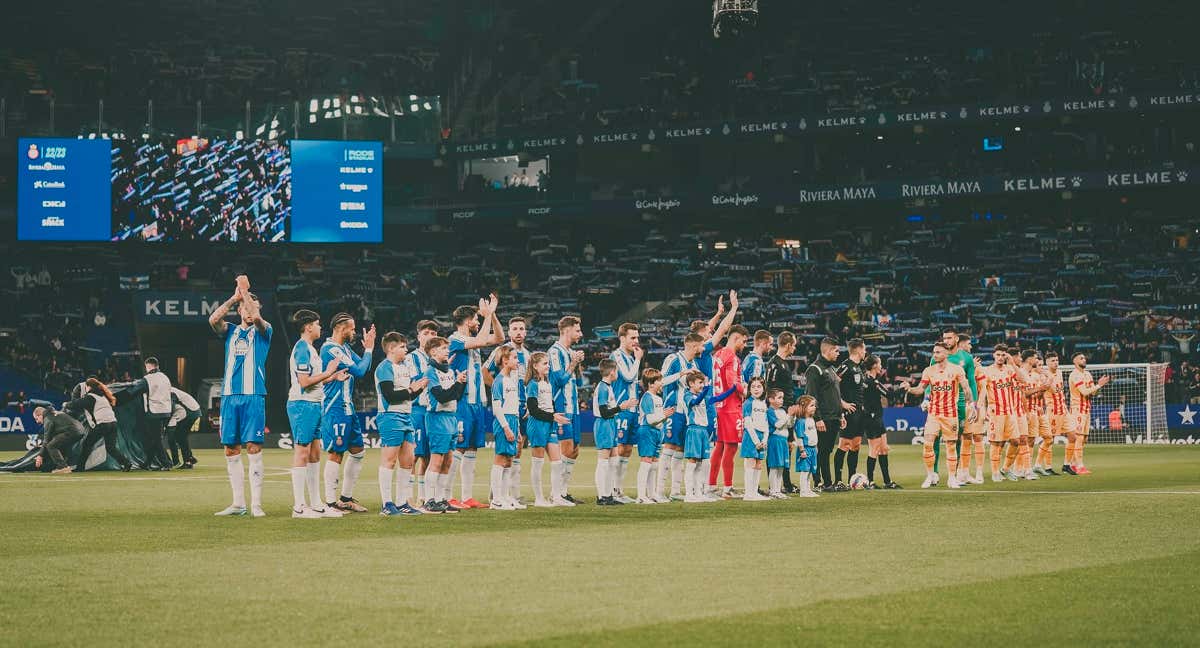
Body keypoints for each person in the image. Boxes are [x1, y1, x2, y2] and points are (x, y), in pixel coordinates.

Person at [207, 276, 272, 516]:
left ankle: (256, 504)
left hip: (253, 395)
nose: (249, 311)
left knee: (254, 448)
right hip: (229, 397)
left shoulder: (265, 331)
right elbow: (213, 319)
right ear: (239, 310)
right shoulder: (230, 332)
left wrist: (245, 293)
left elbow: (257, 318)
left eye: (252, 307)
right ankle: (238, 503)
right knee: (231, 449)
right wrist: (235, 297)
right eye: (244, 307)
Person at [286, 309, 346, 519]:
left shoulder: (310, 349)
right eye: (318, 324)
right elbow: (303, 383)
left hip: (313, 403)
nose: (321, 328)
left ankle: (316, 503)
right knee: (302, 452)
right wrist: (328, 372)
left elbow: (314, 379)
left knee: (313, 453)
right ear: (309, 326)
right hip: (302, 405)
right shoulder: (302, 348)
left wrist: (332, 377)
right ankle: (299, 507)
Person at [447, 295, 504, 509]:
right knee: (459, 448)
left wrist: (493, 315)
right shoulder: (455, 340)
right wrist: (487, 315)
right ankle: (448, 495)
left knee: (471, 449)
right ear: (468, 320)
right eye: (476, 319)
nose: (478, 322)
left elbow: (499, 338)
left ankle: (467, 496)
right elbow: (480, 339)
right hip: (461, 401)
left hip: (477, 402)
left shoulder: (472, 343)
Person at [319, 312, 377, 513]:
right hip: (335, 407)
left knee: (358, 452)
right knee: (336, 452)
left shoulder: (344, 348)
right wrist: (368, 348)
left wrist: (368, 349)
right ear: (340, 328)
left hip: (348, 408)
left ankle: (345, 498)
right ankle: (329, 502)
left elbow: (363, 367)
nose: (354, 332)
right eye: (351, 328)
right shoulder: (331, 349)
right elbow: (360, 370)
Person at [903, 342, 975, 489]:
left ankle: (952, 478)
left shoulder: (957, 370)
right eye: (934, 352)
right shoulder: (928, 371)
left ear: (946, 354)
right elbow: (920, 389)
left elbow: (966, 389)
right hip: (934, 414)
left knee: (951, 446)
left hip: (950, 414)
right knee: (928, 444)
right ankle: (930, 476)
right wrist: (909, 389)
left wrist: (972, 405)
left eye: (938, 352)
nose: (934, 355)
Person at [375, 332, 428, 517]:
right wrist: (411, 389)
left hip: (406, 415)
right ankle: (387, 503)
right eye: (402, 347)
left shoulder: (404, 367)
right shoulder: (384, 368)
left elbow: (408, 396)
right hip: (390, 416)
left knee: (408, 461)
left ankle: (402, 502)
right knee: (389, 460)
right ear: (391, 348)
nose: (406, 350)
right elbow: (390, 395)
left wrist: (419, 389)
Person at [483, 316, 533, 504]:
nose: (519, 332)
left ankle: (510, 494)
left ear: (526, 332)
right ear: (509, 332)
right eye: (515, 329)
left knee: (516, 451)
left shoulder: (527, 355)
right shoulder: (502, 351)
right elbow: (484, 371)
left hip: (520, 408)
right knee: (504, 452)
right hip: (506, 406)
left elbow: (528, 382)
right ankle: (498, 494)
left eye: (522, 328)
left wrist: (527, 403)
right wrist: (500, 390)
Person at [694, 291, 739, 496]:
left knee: (713, 445)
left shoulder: (698, 348)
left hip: (708, 400)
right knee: (709, 446)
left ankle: (707, 486)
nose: (710, 334)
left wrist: (719, 312)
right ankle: (704, 488)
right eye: (707, 332)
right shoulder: (702, 350)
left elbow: (712, 328)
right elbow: (721, 330)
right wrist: (734, 308)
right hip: (706, 402)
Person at [422, 336, 467, 513]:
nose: (447, 351)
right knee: (437, 459)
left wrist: (460, 383)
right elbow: (441, 395)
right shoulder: (431, 371)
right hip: (437, 417)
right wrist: (457, 383)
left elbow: (455, 395)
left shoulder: (448, 371)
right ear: (433, 352)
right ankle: (429, 499)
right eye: (443, 348)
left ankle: (441, 499)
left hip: (451, 417)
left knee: (447, 460)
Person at [525, 351, 571, 507]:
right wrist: (553, 416)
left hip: (549, 424)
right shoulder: (532, 384)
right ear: (535, 366)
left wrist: (554, 415)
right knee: (538, 463)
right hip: (537, 425)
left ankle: (556, 497)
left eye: (548, 363)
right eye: (545, 363)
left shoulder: (548, 383)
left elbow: (548, 405)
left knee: (557, 463)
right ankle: (539, 498)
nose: (548, 366)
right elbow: (533, 409)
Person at [548, 315, 585, 502]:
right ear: (567, 330)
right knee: (566, 448)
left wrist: (577, 364)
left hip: (574, 406)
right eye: (577, 330)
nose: (581, 334)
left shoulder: (569, 352)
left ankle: (563, 491)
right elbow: (558, 380)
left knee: (574, 450)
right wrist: (573, 363)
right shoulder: (554, 352)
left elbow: (579, 381)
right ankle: (556, 494)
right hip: (561, 405)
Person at [711, 324, 750, 497]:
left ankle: (711, 485)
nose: (745, 344)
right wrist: (746, 390)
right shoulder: (732, 357)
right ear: (735, 338)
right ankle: (728, 488)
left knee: (719, 447)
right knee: (731, 448)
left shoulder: (717, 354)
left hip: (719, 406)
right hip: (730, 408)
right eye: (744, 340)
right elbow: (733, 382)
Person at [805, 337, 846, 492]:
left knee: (826, 451)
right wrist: (818, 418)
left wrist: (840, 415)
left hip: (834, 417)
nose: (838, 353)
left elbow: (835, 394)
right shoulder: (814, 369)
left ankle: (826, 482)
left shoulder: (831, 368)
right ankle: (822, 483)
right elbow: (811, 396)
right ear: (828, 350)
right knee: (821, 451)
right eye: (836, 350)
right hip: (824, 418)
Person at [67, 378, 131, 472]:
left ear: (88, 387)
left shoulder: (90, 397)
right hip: (113, 423)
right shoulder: (103, 397)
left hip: (103, 424)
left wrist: (66, 404)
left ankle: (80, 468)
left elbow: (76, 404)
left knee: (87, 445)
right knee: (111, 448)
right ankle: (126, 463)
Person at [407, 320, 439, 506]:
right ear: (419, 336)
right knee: (414, 454)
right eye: (426, 333)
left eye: (433, 334)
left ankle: (422, 494)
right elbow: (413, 381)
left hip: (434, 411)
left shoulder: (439, 358)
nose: (430, 337)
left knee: (427, 454)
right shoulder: (412, 358)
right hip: (418, 409)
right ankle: (407, 494)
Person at [489, 346, 526, 510]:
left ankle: (504, 496)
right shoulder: (499, 381)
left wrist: (516, 429)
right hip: (504, 422)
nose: (517, 361)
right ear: (505, 360)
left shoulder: (510, 380)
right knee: (500, 459)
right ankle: (496, 499)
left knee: (509, 460)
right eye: (515, 358)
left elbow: (513, 407)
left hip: (513, 421)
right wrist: (506, 428)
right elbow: (497, 408)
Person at [610, 323, 644, 502]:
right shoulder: (617, 355)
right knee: (620, 448)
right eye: (632, 337)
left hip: (632, 409)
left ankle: (619, 490)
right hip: (621, 409)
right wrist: (638, 359)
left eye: (637, 338)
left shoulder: (630, 358)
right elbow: (628, 377)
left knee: (628, 449)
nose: (636, 341)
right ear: (622, 338)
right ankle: (613, 490)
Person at [977, 344, 1018, 483]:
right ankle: (995, 472)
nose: (1000, 358)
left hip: (1010, 412)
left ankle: (1005, 469)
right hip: (996, 412)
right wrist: (979, 408)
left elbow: (1023, 379)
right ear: (994, 355)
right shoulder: (987, 371)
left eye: (1003, 355)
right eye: (998, 355)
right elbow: (982, 391)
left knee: (1015, 441)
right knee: (996, 443)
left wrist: (1012, 362)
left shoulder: (1010, 370)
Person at [764, 330, 799, 493]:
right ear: (788, 345)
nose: (795, 348)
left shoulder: (784, 363)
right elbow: (769, 388)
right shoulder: (774, 363)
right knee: (776, 448)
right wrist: (773, 409)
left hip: (787, 411)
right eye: (794, 345)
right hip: (778, 411)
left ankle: (785, 483)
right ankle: (776, 486)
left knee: (788, 446)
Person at [860, 355, 900, 489]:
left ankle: (887, 481)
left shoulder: (867, 380)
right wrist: (904, 388)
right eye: (880, 363)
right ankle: (870, 482)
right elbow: (889, 395)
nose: (881, 366)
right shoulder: (872, 382)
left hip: (876, 417)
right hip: (871, 419)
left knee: (883, 449)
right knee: (874, 449)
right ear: (874, 366)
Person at [635, 368, 674, 504]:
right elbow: (650, 419)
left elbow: (657, 419)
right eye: (658, 380)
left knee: (654, 465)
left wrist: (663, 415)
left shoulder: (657, 398)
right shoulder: (647, 397)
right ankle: (641, 496)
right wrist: (665, 415)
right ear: (651, 384)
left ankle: (652, 494)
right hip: (647, 431)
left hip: (657, 432)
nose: (661, 383)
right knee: (646, 463)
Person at [1068, 352, 1110, 474]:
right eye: (1081, 358)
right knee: (1079, 437)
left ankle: (1072, 464)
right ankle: (1079, 466)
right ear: (1075, 361)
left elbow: (1092, 393)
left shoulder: (1088, 374)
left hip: (1087, 409)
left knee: (1084, 438)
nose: (1084, 359)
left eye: (1084, 358)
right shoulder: (1075, 375)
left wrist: (1098, 386)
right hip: (1077, 410)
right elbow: (1084, 392)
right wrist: (1098, 385)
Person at [834, 338, 867, 487]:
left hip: (859, 412)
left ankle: (851, 480)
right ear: (859, 350)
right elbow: (832, 383)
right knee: (845, 444)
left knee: (856, 445)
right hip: (849, 412)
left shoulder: (859, 367)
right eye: (864, 349)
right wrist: (842, 404)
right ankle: (838, 480)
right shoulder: (846, 365)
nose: (865, 352)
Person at [592, 359, 624, 506]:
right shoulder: (603, 388)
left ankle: (609, 494)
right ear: (612, 372)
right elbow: (604, 412)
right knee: (604, 461)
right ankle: (602, 496)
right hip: (604, 423)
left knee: (613, 460)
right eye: (616, 370)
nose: (617, 373)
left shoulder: (608, 386)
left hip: (610, 423)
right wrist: (621, 407)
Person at [681, 371, 714, 502]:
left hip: (703, 431)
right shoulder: (687, 395)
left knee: (701, 463)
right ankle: (689, 494)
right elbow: (695, 403)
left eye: (702, 382)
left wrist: (732, 389)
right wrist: (706, 390)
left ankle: (699, 493)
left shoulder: (702, 396)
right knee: (692, 462)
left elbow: (716, 398)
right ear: (691, 384)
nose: (702, 385)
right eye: (700, 382)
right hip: (693, 429)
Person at [139, 356, 174, 470]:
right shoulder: (165, 377)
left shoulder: (148, 378)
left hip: (154, 411)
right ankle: (147, 463)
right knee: (154, 439)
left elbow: (136, 390)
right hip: (166, 411)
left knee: (156, 440)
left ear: (148, 366)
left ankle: (166, 464)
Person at [1040, 351, 1072, 475]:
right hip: (1052, 411)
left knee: (1073, 436)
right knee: (1050, 439)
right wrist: (1049, 377)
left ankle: (1066, 465)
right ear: (1047, 362)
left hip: (1063, 409)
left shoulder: (1060, 372)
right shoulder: (1044, 375)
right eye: (1053, 361)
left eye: (1057, 360)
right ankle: (1047, 467)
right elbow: (1053, 391)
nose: (1056, 363)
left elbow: (1060, 392)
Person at [739, 377, 769, 501]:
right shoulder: (748, 403)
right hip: (751, 437)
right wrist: (756, 441)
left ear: (763, 388)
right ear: (749, 389)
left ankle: (754, 491)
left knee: (758, 463)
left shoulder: (763, 403)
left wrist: (765, 439)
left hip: (762, 436)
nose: (756, 389)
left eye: (759, 387)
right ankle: (748, 493)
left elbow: (766, 423)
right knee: (751, 462)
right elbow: (748, 423)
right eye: (753, 387)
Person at [32, 406, 83, 474]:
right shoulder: (56, 413)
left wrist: (40, 455)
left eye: (36, 418)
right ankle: (70, 464)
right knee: (60, 444)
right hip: (80, 430)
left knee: (51, 446)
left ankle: (63, 467)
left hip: (71, 431)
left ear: (40, 415)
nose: (37, 422)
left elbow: (47, 439)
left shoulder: (48, 418)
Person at [765, 388, 795, 499]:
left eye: (782, 397)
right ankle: (773, 490)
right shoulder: (769, 411)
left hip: (783, 440)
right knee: (774, 466)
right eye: (779, 398)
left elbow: (790, 425)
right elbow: (778, 425)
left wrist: (791, 416)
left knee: (781, 466)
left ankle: (778, 489)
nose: (782, 400)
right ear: (771, 399)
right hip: (775, 440)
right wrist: (788, 415)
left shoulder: (783, 411)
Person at [792, 396, 820, 497]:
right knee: (805, 470)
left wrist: (815, 446)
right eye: (811, 405)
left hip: (812, 448)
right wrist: (802, 450)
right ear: (804, 407)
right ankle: (803, 491)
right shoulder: (801, 421)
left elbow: (813, 434)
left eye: (814, 405)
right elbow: (799, 437)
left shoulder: (811, 419)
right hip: (805, 449)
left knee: (810, 471)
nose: (814, 407)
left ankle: (808, 489)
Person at [166, 386, 200, 469]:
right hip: (194, 410)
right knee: (181, 436)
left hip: (190, 411)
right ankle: (189, 458)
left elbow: (171, 408)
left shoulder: (170, 392)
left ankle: (187, 461)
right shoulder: (170, 389)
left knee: (180, 436)